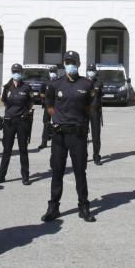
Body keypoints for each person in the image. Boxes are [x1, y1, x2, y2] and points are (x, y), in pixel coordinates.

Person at [41, 51, 96, 223]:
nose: (70, 65)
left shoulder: (87, 84)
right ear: (64, 64)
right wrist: (59, 117)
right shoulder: (55, 84)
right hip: (59, 135)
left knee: (80, 171)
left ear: (79, 64)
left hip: (77, 135)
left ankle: (84, 206)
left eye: (73, 62)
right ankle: (53, 207)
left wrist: (77, 119)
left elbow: (90, 108)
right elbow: (49, 106)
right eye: (67, 62)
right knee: (57, 171)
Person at [0, 63, 33, 185]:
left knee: (23, 149)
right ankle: (1, 175)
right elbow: (4, 101)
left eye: (18, 71)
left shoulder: (27, 87)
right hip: (9, 122)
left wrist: (22, 112)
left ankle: (25, 176)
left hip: (22, 122)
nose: (16, 73)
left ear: (21, 73)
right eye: (14, 71)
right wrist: (11, 112)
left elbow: (30, 103)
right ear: (12, 72)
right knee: (7, 149)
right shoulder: (7, 87)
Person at [86, 63, 104, 165]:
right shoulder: (82, 82)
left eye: (92, 70)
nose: (91, 71)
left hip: (95, 112)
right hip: (84, 111)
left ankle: (96, 156)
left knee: (96, 135)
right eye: (89, 69)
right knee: (83, 134)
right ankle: (83, 155)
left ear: (95, 71)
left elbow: (101, 95)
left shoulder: (99, 83)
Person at [38, 65, 58, 150]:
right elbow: (41, 93)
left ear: (57, 73)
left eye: (54, 72)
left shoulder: (59, 82)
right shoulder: (45, 82)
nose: (53, 73)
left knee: (57, 124)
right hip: (47, 106)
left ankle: (56, 142)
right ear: (49, 73)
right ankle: (44, 142)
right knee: (46, 123)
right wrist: (46, 97)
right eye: (51, 72)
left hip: (56, 107)